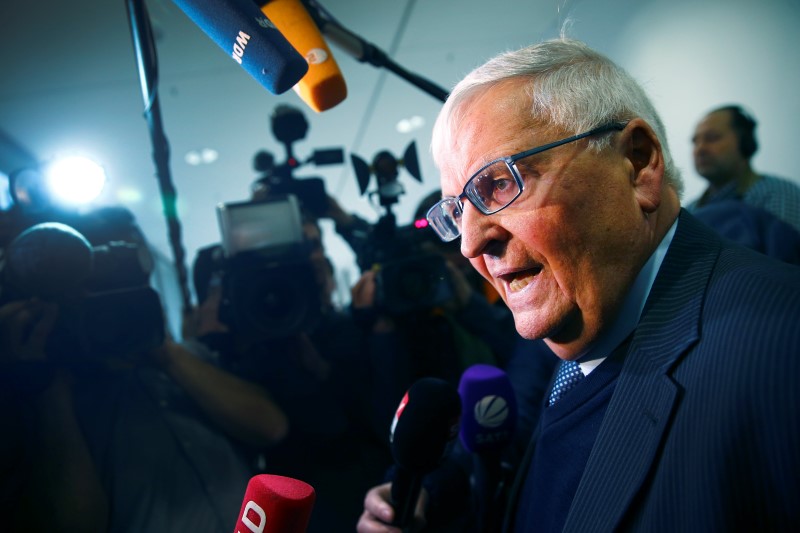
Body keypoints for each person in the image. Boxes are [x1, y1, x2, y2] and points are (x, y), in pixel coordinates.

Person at [358, 37, 800, 532]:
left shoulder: (783, 354)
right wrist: (432, 496)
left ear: (636, 164)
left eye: (500, 184)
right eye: (458, 211)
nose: (470, 244)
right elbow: (524, 427)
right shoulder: (572, 318)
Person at [689, 104, 800, 232]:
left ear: (745, 143)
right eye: (695, 141)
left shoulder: (779, 195)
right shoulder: (690, 210)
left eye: (712, 138)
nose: (700, 149)